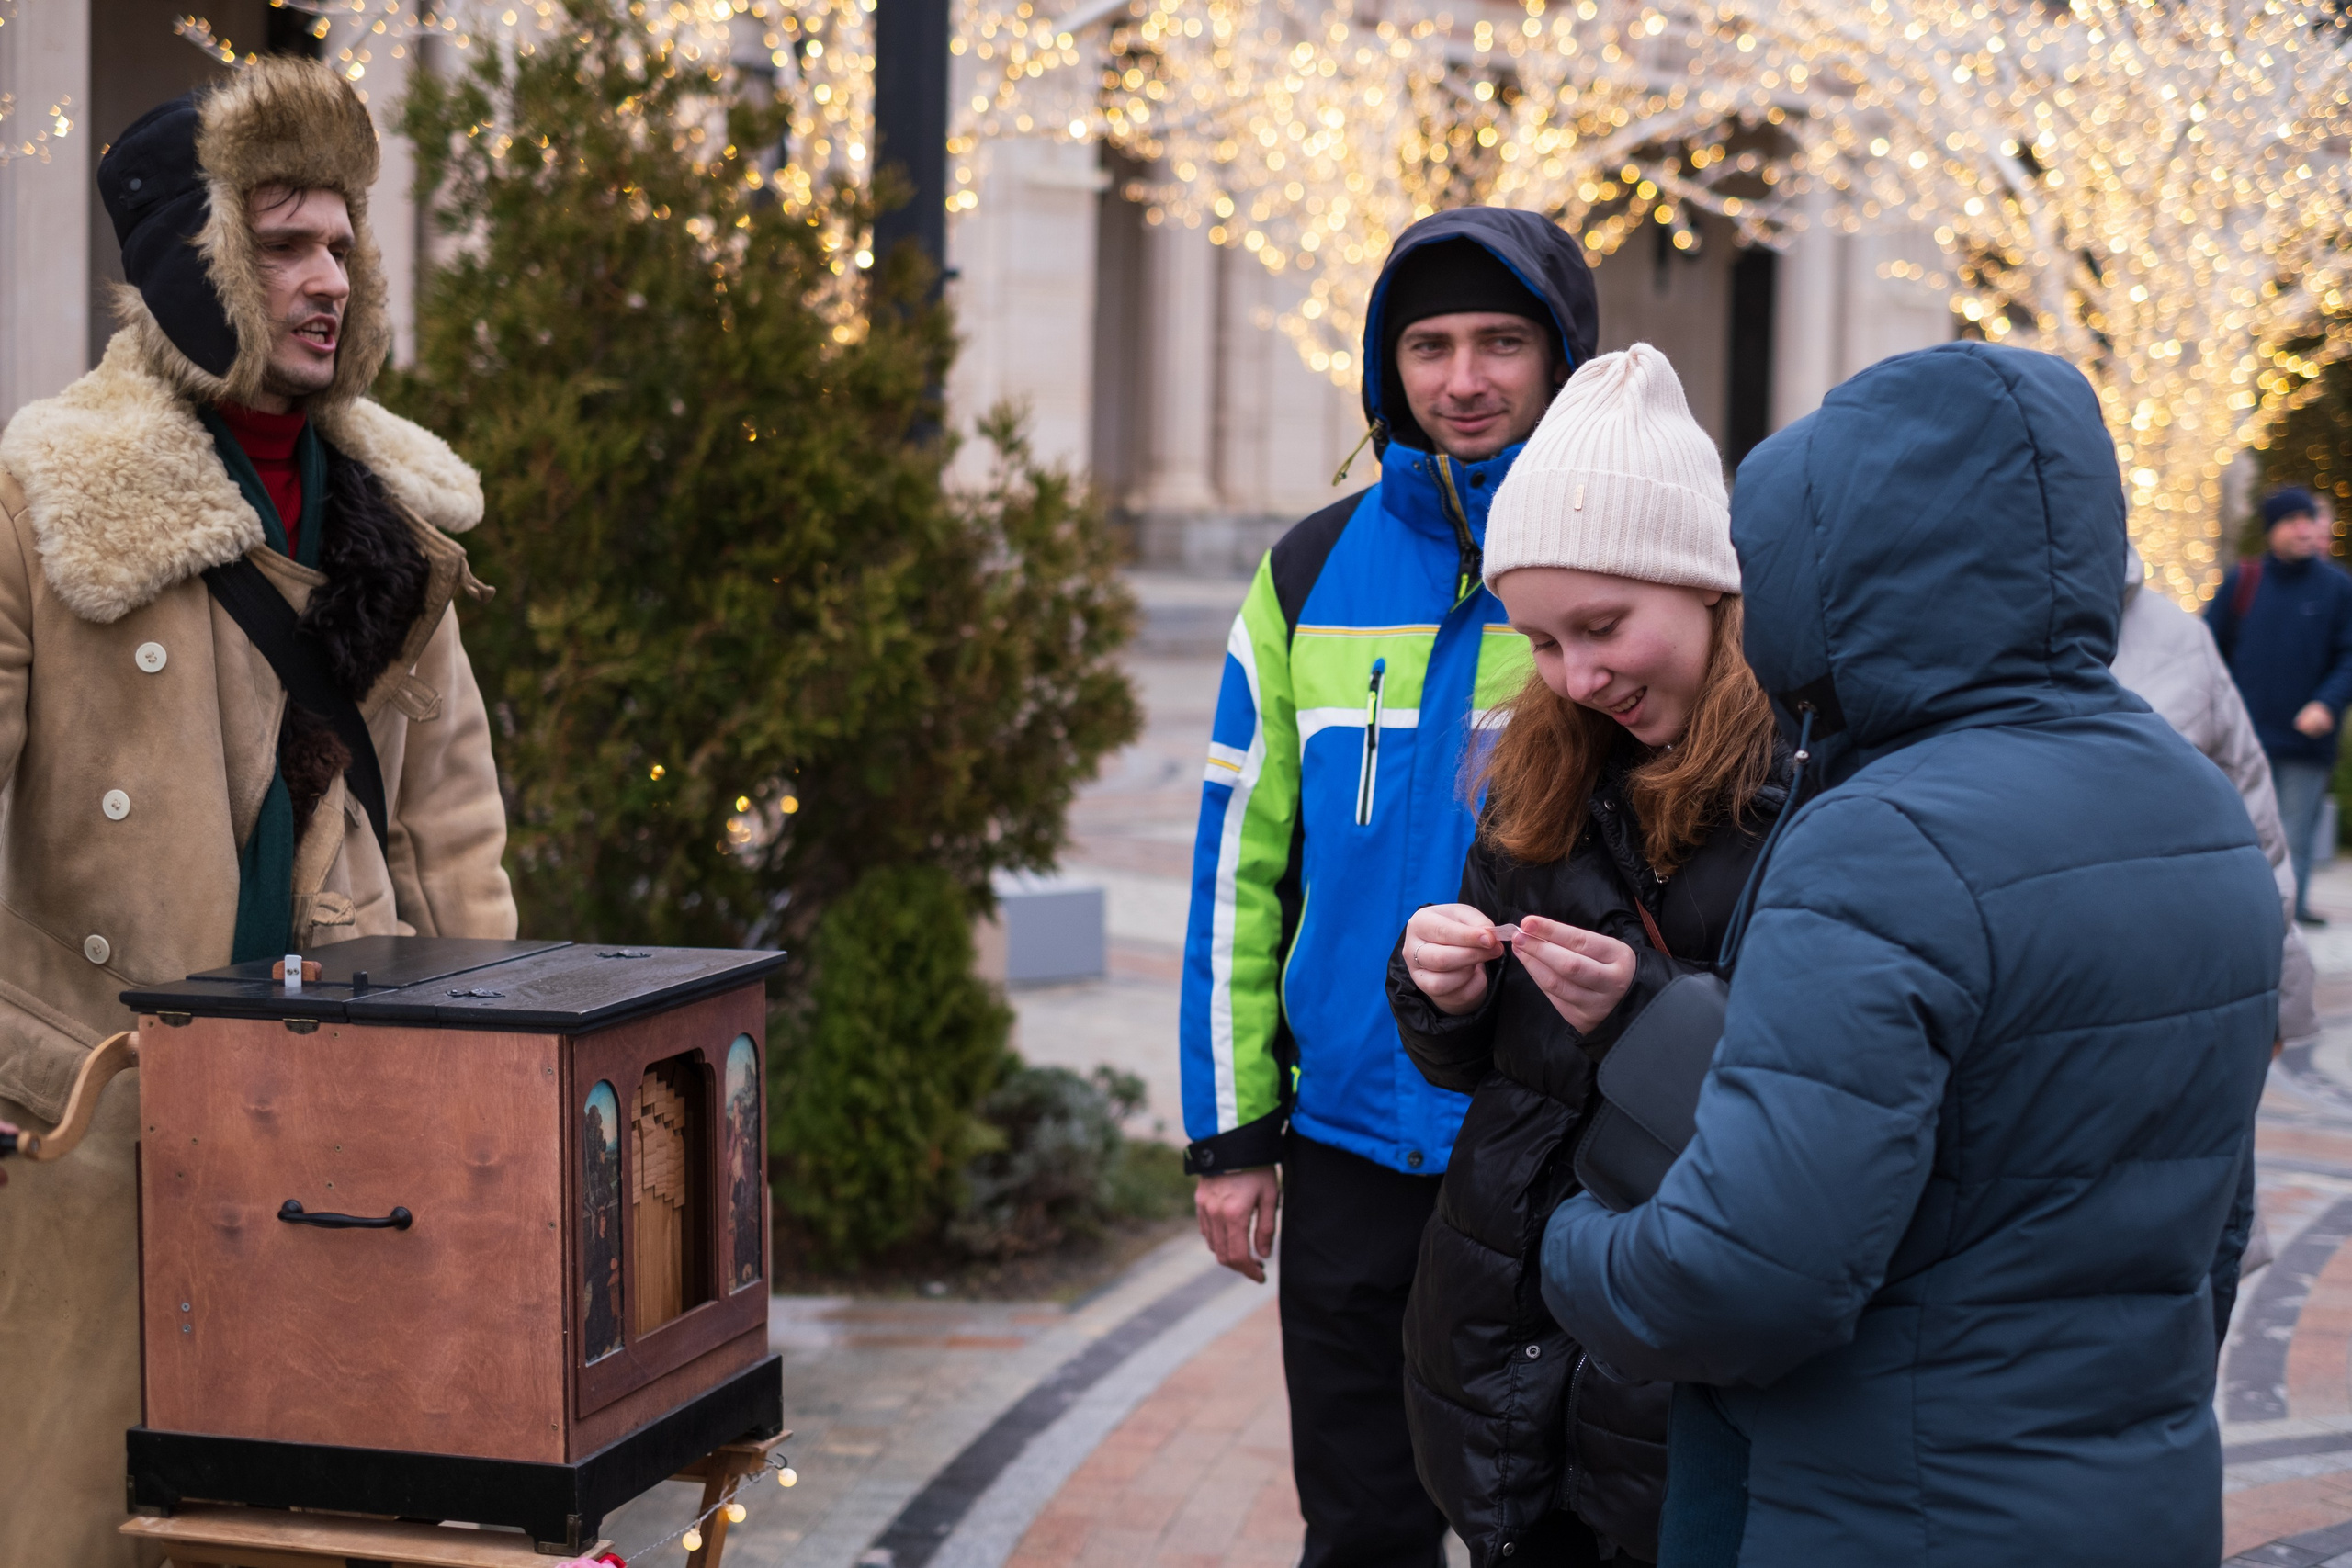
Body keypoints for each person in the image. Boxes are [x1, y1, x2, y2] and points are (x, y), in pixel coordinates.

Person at [1536, 341, 2280, 1565]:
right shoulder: (2197, 809)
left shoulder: (1881, 841)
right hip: (2133, 1501)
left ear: (1834, 561)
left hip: (1886, 1507)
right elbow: (2215, 1228)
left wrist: (1573, 1248)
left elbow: (1747, 1277)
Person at [0, 59, 514, 1565]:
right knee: (69, 1520)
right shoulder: (46, 496)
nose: (326, 279)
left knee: (304, 1523)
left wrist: (499, 1100)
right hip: (88, 1117)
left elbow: (451, 828)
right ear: (196, 261)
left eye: (344, 244)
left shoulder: (395, 525)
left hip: (330, 1124)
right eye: (284, 243)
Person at [1180, 209, 1598, 1568]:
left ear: (1559, 355)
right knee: (1360, 1524)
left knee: (1555, 1521)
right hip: (1352, 1141)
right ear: (1387, 367)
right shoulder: (1307, 573)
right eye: (1429, 345)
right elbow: (1239, 867)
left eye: (1499, 340)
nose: (1464, 378)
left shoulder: (1616, 574)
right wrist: (1234, 1133)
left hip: (1552, 1145)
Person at [1386, 345, 1786, 1567]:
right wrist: (1439, 989)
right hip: (1503, 1333)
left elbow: (1812, 1092)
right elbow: (1480, 1065)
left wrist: (1642, 1014)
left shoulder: (1802, 788)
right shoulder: (1540, 764)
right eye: (1544, 640)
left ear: (1709, 589)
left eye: (1604, 625)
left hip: (1664, 1368)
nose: (1577, 675)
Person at [2207, 486, 2352, 925]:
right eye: (2293, 520)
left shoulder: (2337, 588)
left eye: (2310, 519)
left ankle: (2285, 920)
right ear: (2273, 529)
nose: (2305, 529)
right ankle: (2236, 916)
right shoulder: (2245, 581)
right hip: (2244, 740)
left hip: (2306, 742)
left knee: (2293, 835)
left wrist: (2326, 704)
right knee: (2238, 831)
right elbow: (2207, 650)